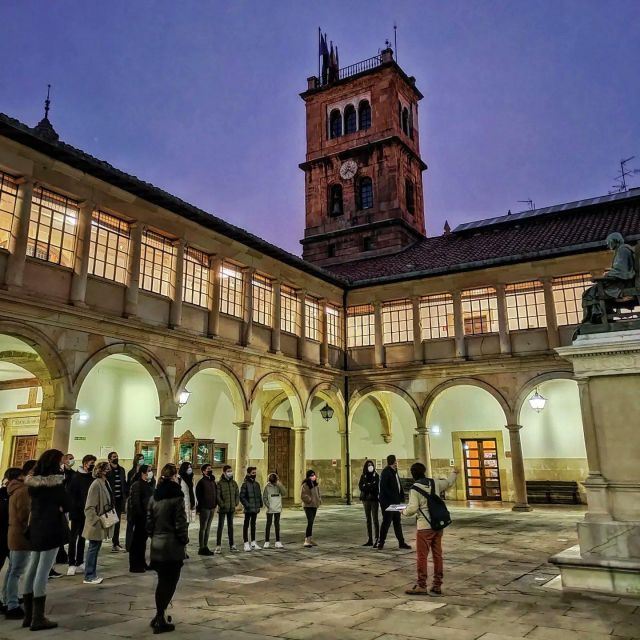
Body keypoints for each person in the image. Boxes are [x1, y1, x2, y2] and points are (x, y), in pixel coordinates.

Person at [23, 449, 70, 631]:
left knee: (32, 568)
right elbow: (67, 503)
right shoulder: (55, 483)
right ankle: (38, 617)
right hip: (51, 528)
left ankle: (28, 616)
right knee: (43, 571)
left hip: (35, 526)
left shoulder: (33, 483)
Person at [402, 462, 459, 595]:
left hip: (424, 527)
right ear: (424, 471)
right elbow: (448, 483)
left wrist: (403, 512)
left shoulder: (414, 488)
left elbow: (412, 509)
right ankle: (437, 584)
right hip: (438, 525)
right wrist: (454, 473)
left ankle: (422, 584)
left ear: (413, 474)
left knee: (422, 556)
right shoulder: (434, 482)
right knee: (437, 554)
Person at [147, 463, 189, 634]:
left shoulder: (154, 497)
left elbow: (148, 524)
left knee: (162, 581)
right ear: (174, 477)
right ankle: (159, 618)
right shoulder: (177, 497)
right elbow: (180, 523)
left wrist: (155, 536)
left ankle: (159, 615)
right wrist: (183, 540)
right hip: (172, 546)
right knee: (169, 582)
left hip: (157, 545)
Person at [581, 232, 636, 325]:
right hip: (621, 281)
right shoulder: (621, 250)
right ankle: (597, 315)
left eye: (608, 242)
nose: (608, 245)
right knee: (592, 291)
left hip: (623, 283)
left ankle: (596, 317)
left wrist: (606, 276)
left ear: (614, 241)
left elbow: (622, 270)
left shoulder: (623, 249)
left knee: (590, 293)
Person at [4, 464, 33, 621]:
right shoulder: (22, 491)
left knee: (12, 570)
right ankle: (12, 605)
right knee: (16, 571)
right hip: (20, 536)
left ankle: (7, 599)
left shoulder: (14, 490)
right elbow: (24, 515)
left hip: (14, 534)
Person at [83, 461, 115, 585]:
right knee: (93, 548)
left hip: (103, 520)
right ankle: (89, 575)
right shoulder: (96, 484)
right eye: (106, 469)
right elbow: (89, 507)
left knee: (96, 548)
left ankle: (92, 573)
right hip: (96, 523)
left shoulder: (105, 482)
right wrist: (96, 520)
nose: (108, 471)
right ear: (100, 471)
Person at [66, 454, 96, 575]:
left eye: (94, 463)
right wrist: (73, 508)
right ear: (85, 463)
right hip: (76, 511)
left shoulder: (91, 477)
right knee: (73, 538)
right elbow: (70, 494)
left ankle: (80, 561)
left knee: (83, 537)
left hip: (86, 512)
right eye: (91, 463)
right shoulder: (75, 477)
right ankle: (71, 563)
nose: (92, 465)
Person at [377, 454, 411, 551]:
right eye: (396, 461)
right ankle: (381, 542)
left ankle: (401, 542)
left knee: (397, 522)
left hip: (396, 502)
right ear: (393, 462)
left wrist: (401, 497)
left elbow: (397, 485)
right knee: (386, 523)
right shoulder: (386, 472)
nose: (397, 463)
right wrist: (392, 500)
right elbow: (384, 488)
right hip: (389, 503)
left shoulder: (394, 471)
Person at [128, 464, 153, 572]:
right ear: (143, 473)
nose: (151, 473)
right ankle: (135, 565)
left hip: (146, 517)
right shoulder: (137, 485)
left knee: (142, 542)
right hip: (140, 518)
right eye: (149, 471)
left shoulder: (146, 484)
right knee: (137, 542)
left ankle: (142, 562)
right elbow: (136, 502)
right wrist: (140, 516)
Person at [106, 451, 127, 552]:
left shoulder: (122, 470)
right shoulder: (107, 470)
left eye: (117, 456)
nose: (116, 458)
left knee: (117, 522)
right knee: (107, 521)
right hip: (109, 500)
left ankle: (116, 543)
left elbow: (124, 483)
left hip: (119, 500)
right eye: (114, 457)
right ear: (109, 459)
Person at [215, 465, 239, 553]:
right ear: (224, 472)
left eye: (231, 471)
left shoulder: (234, 483)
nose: (230, 472)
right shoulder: (220, 483)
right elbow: (218, 496)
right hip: (223, 508)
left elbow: (237, 493)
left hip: (231, 508)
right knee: (220, 527)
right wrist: (222, 504)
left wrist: (236, 503)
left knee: (231, 527)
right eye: (228, 471)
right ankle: (218, 545)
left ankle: (232, 545)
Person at [195, 464, 217, 556]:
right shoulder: (201, 482)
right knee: (203, 528)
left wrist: (215, 504)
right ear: (203, 471)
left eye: (210, 468)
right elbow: (199, 496)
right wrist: (199, 508)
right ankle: (201, 547)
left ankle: (205, 546)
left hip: (212, 507)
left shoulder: (212, 481)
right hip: (204, 507)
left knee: (208, 528)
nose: (210, 470)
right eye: (208, 469)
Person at [358, 459, 380, 547]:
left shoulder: (376, 475)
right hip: (365, 499)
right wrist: (369, 486)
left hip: (374, 500)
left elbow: (375, 486)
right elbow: (361, 486)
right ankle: (370, 539)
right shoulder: (363, 476)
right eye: (368, 465)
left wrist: (367, 485)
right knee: (368, 520)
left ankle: (377, 539)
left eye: (371, 465)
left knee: (375, 519)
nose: (370, 466)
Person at [240, 466, 262, 551]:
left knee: (253, 525)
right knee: (246, 525)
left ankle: (253, 542)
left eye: (255, 473)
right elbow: (242, 496)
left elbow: (259, 495)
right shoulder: (245, 484)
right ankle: (246, 543)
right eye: (253, 473)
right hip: (248, 508)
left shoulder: (257, 484)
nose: (254, 474)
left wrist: (260, 504)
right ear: (249, 473)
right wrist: (247, 505)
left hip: (255, 508)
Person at [262, 473, 285, 549]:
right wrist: (268, 505)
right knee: (268, 524)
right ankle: (267, 541)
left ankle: (278, 541)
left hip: (277, 508)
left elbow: (284, 493)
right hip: (270, 509)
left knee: (277, 524)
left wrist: (279, 484)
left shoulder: (278, 486)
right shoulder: (267, 487)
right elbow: (264, 497)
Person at [301, 470, 321, 548]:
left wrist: (319, 500)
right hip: (308, 506)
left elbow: (318, 493)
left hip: (314, 505)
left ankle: (310, 539)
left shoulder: (315, 485)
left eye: (314, 475)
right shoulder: (305, 485)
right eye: (312, 475)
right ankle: (307, 540)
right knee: (310, 521)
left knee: (311, 522)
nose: (313, 476)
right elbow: (303, 495)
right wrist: (310, 500)